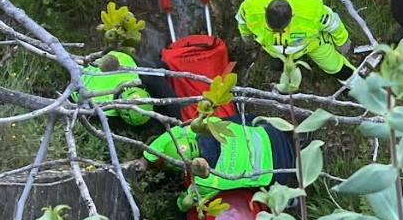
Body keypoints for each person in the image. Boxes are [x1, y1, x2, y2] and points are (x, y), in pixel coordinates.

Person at [138, 113, 296, 209]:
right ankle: (297, 139)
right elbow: (178, 130)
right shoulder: (210, 124)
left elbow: (187, 203)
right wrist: (147, 156)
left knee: (255, 191)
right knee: (240, 121)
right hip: (274, 134)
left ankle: (288, 199)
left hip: (278, 173)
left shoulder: (206, 181)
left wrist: (178, 205)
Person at [235, 0, 355, 81]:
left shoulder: (311, 12)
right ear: (265, 11)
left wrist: (342, 41)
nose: (277, 32)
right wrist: (246, 36)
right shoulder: (251, 7)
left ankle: (356, 85)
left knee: (335, 66)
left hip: (312, 44)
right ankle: (280, 67)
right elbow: (242, 20)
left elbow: (333, 24)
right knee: (276, 65)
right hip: (274, 50)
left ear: (292, 16)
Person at [73, 50, 180, 127]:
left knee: (157, 69)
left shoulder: (138, 73)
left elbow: (169, 97)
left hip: (121, 59)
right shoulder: (104, 111)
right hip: (84, 82)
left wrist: (177, 120)